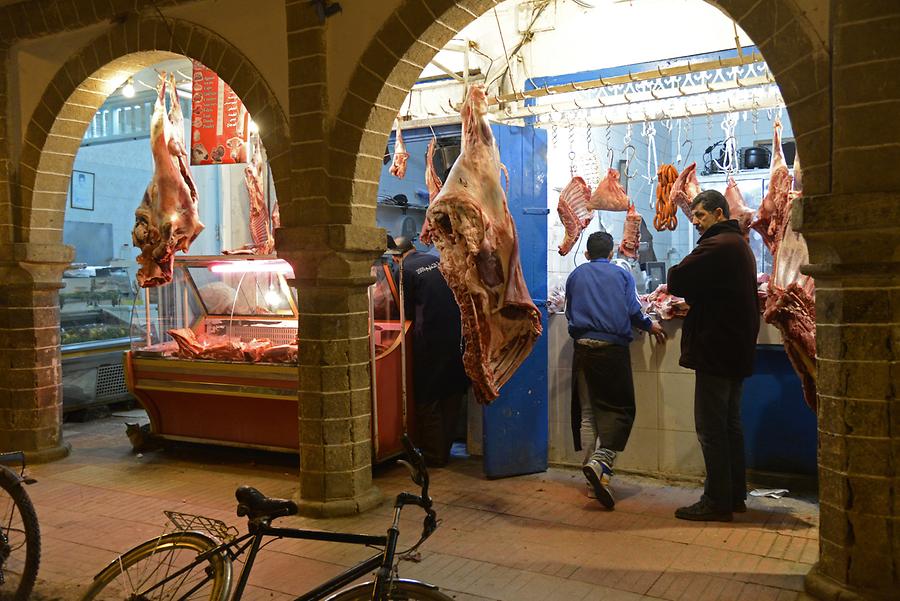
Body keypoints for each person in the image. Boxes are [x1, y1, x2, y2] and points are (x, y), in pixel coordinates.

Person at [667, 189, 759, 522]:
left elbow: (677, 278)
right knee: (729, 425)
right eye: (693, 217)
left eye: (701, 217)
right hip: (734, 349)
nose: (696, 223)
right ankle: (734, 496)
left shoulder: (718, 245)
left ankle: (716, 501)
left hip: (716, 349)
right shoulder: (739, 246)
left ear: (719, 214)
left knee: (711, 427)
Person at [565, 231, 666, 509]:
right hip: (611, 350)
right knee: (620, 411)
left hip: (583, 347)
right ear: (612, 254)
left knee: (588, 413)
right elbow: (634, 310)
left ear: (587, 254)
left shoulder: (575, 275)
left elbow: (570, 311)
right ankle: (599, 465)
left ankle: (591, 480)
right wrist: (649, 325)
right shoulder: (622, 274)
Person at [393, 236, 469, 466]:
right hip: (457, 336)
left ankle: (434, 456)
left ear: (396, 258)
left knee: (428, 396)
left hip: (428, 339)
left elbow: (403, 311)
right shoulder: (437, 260)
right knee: (451, 392)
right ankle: (445, 451)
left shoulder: (404, 269)